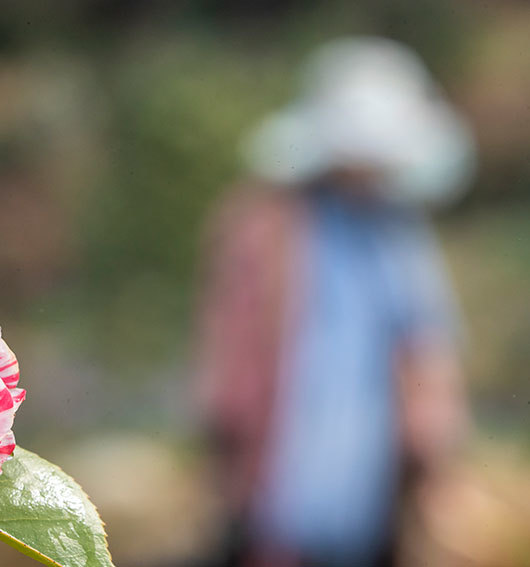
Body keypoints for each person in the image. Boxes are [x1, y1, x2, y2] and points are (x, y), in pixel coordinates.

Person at [197, 37, 473, 567]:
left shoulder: (398, 234)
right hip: (278, 470)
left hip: (368, 476)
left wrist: (435, 458)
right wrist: (223, 444)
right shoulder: (266, 227)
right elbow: (231, 349)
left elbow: (426, 347)